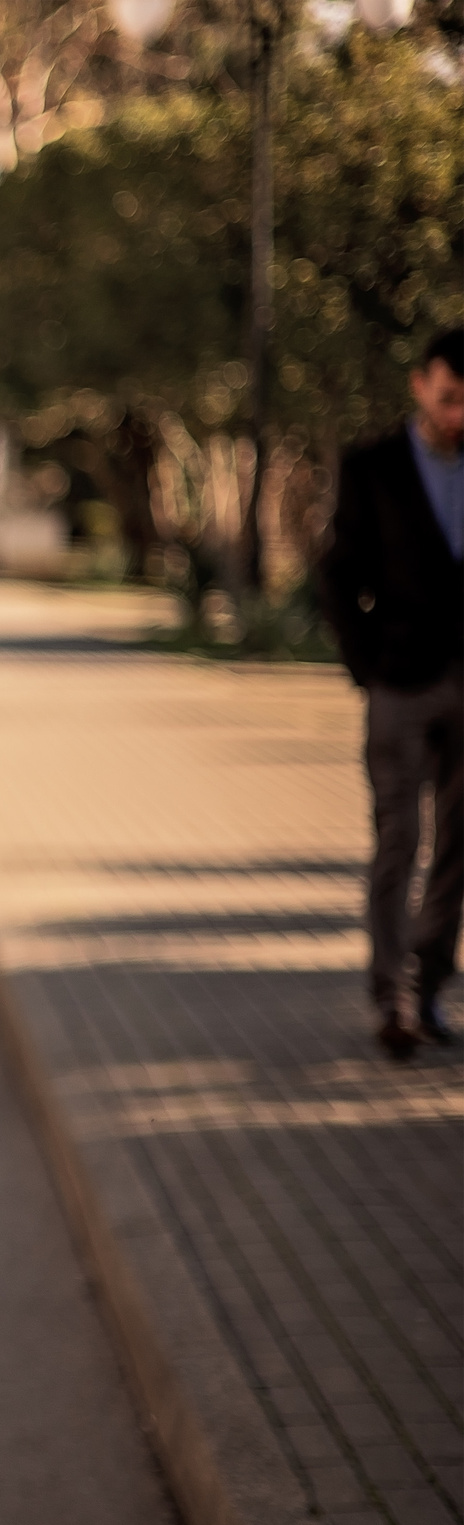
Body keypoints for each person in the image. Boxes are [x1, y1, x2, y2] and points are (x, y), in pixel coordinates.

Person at [317, 327, 464, 1061]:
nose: (458, 414)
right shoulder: (372, 466)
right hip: (400, 682)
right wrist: (364, 666)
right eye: (448, 397)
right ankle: (391, 993)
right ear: (420, 386)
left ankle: (432, 982)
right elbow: (338, 574)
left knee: (457, 849)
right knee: (397, 840)